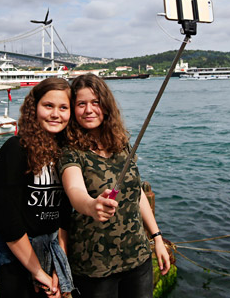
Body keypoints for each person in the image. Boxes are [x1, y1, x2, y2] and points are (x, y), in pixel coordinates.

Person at [0, 77, 74, 298]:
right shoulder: (16, 149)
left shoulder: (66, 154)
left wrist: (59, 265)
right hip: (9, 257)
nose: (56, 114)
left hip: (47, 253)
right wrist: (37, 272)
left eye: (63, 108)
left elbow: (64, 215)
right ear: (34, 108)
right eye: (48, 106)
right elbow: (7, 218)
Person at [58, 74, 170, 298]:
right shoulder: (70, 151)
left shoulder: (121, 145)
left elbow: (137, 194)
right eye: (81, 104)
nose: (89, 110)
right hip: (95, 268)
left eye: (95, 102)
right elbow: (75, 191)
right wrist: (92, 205)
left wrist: (156, 237)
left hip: (137, 258)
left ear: (106, 106)